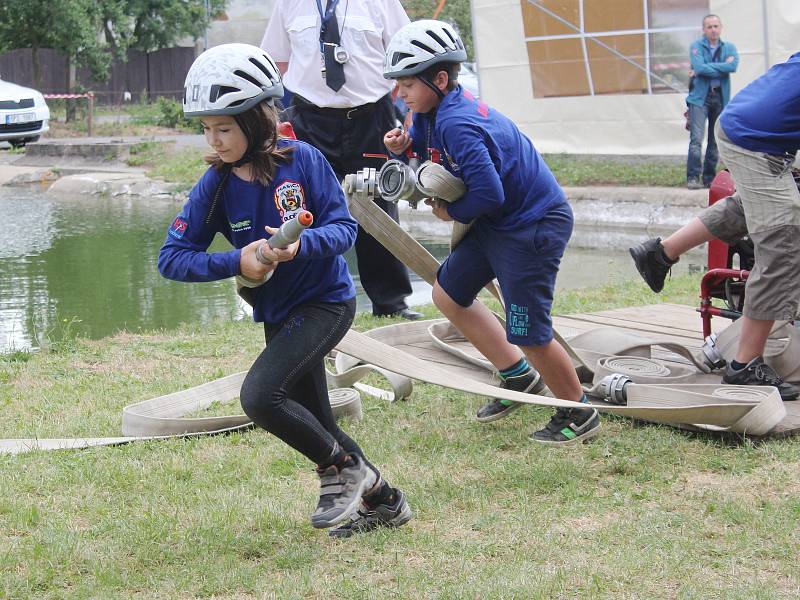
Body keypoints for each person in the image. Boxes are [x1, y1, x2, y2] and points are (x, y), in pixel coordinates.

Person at [158, 44, 412, 537]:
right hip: (277, 312)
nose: (215, 139)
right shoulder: (215, 183)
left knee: (261, 397)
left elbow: (344, 231)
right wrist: (239, 258)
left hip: (326, 303)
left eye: (224, 127)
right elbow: (172, 258)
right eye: (206, 128)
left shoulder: (305, 160)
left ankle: (338, 471)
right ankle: (386, 503)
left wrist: (300, 247)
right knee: (318, 421)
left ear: (257, 119)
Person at [382, 20, 601, 445]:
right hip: (498, 224)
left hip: (530, 226)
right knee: (448, 292)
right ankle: (518, 376)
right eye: (399, 85)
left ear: (440, 79)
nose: (401, 93)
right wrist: (403, 148)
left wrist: (449, 212)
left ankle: (579, 410)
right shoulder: (431, 111)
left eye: (408, 84)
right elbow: (429, 148)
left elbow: (490, 192)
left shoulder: (458, 122)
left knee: (529, 331)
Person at [630, 51, 800, 401]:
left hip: (747, 127)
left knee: (754, 205)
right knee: (782, 242)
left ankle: (661, 253)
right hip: (758, 141)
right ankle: (744, 366)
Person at [259, 0, 422, 320]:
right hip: (309, 119)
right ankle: (312, 300)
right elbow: (274, 63)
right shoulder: (289, 4)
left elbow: (409, 54)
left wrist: (411, 116)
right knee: (306, 209)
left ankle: (391, 302)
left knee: (379, 205)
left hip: (372, 116)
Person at [685, 14, 738, 190]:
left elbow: (733, 67)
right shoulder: (696, 46)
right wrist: (721, 67)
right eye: (709, 27)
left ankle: (709, 178)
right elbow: (699, 67)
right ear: (704, 30)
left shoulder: (729, 47)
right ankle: (693, 177)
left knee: (715, 140)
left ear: (721, 28)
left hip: (720, 97)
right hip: (700, 98)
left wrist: (705, 69)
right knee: (696, 139)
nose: (713, 30)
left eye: (716, 26)